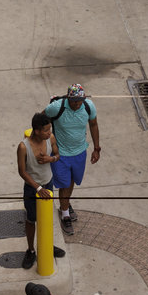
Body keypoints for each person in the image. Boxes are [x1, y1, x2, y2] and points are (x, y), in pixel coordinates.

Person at [43, 83, 100, 234]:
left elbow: (94, 125)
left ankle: (65, 203)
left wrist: (97, 148)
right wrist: (47, 141)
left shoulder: (88, 106)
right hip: (61, 154)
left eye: (79, 101)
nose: (77, 104)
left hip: (80, 153)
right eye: (74, 101)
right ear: (68, 98)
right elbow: (41, 120)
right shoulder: (56, 107)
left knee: (72, 181)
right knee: (64, 184)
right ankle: (65, 214)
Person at [17, 112, 60, 269]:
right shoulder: (23, 147)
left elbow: (57, 154)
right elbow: (22, 172)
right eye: (46, 130)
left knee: (47, 217)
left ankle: (47, 246)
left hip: (48, 184)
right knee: (31, 219)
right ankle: (31, 250)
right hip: (32, 188)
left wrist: (51, 159)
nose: (49, 133)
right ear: (36, 131)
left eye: (50, 129)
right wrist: (38, 188)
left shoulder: (51, 139)